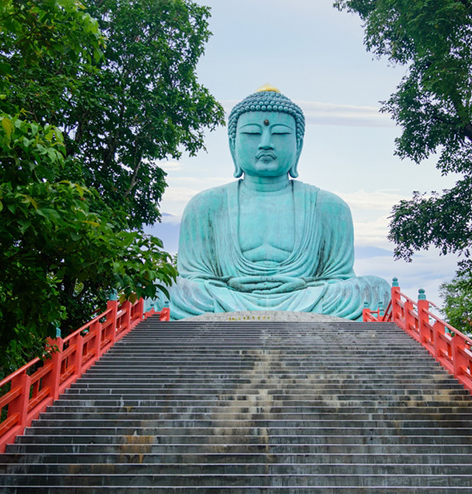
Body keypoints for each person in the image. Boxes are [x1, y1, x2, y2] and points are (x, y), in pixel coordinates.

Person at [158, 85, 390, 319]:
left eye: (279, 134)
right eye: (252, 134)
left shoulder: (329, 207)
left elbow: (337, 278)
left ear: (298, 145)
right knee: (160, 288)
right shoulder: (205, 205)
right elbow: (197, 278)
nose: (266, 143)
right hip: (226, 298)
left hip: (308, 298)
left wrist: (308, 291)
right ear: (232, 144)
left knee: (376, 289)